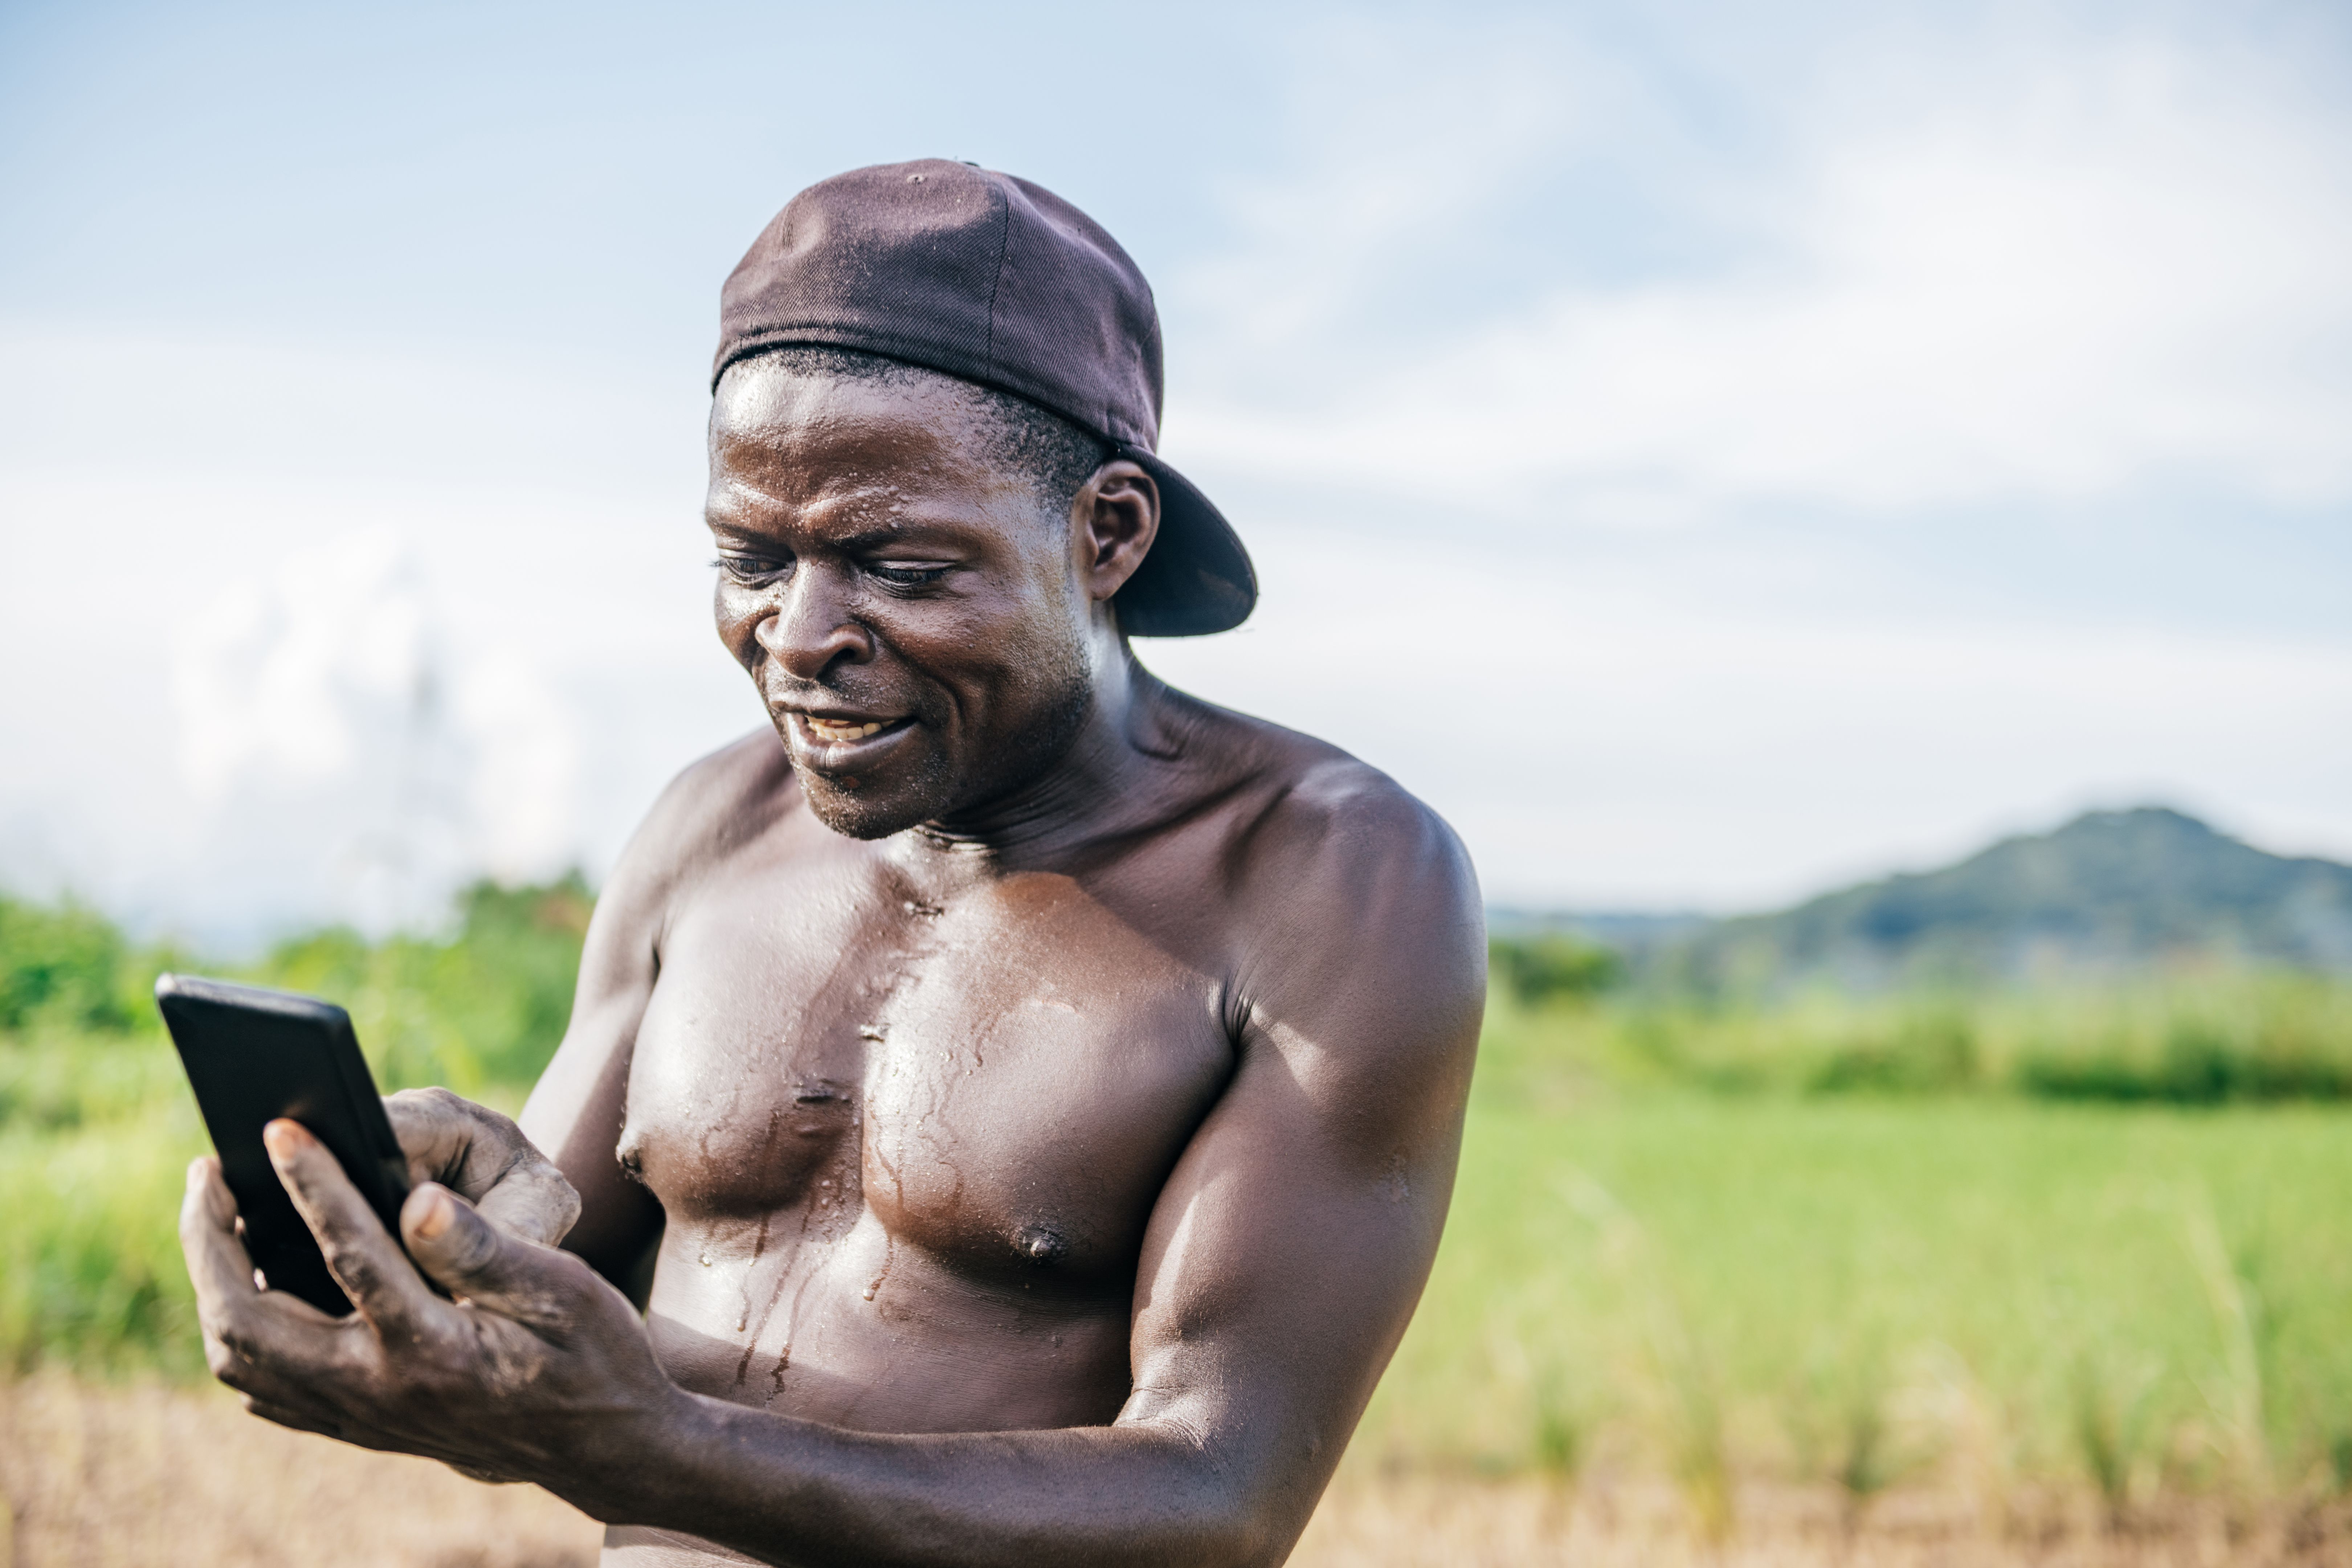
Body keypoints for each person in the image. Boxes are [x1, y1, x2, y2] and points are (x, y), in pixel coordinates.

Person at [181, 158, 1485, 1568]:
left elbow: (1216, 1496)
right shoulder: (710, 829)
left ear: (1106, 533)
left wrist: (658, 1449)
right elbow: (551, 1337)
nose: (796, 636)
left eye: (899, 562)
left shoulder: (1328, 881)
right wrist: (436, 1238)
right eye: (749, 556)